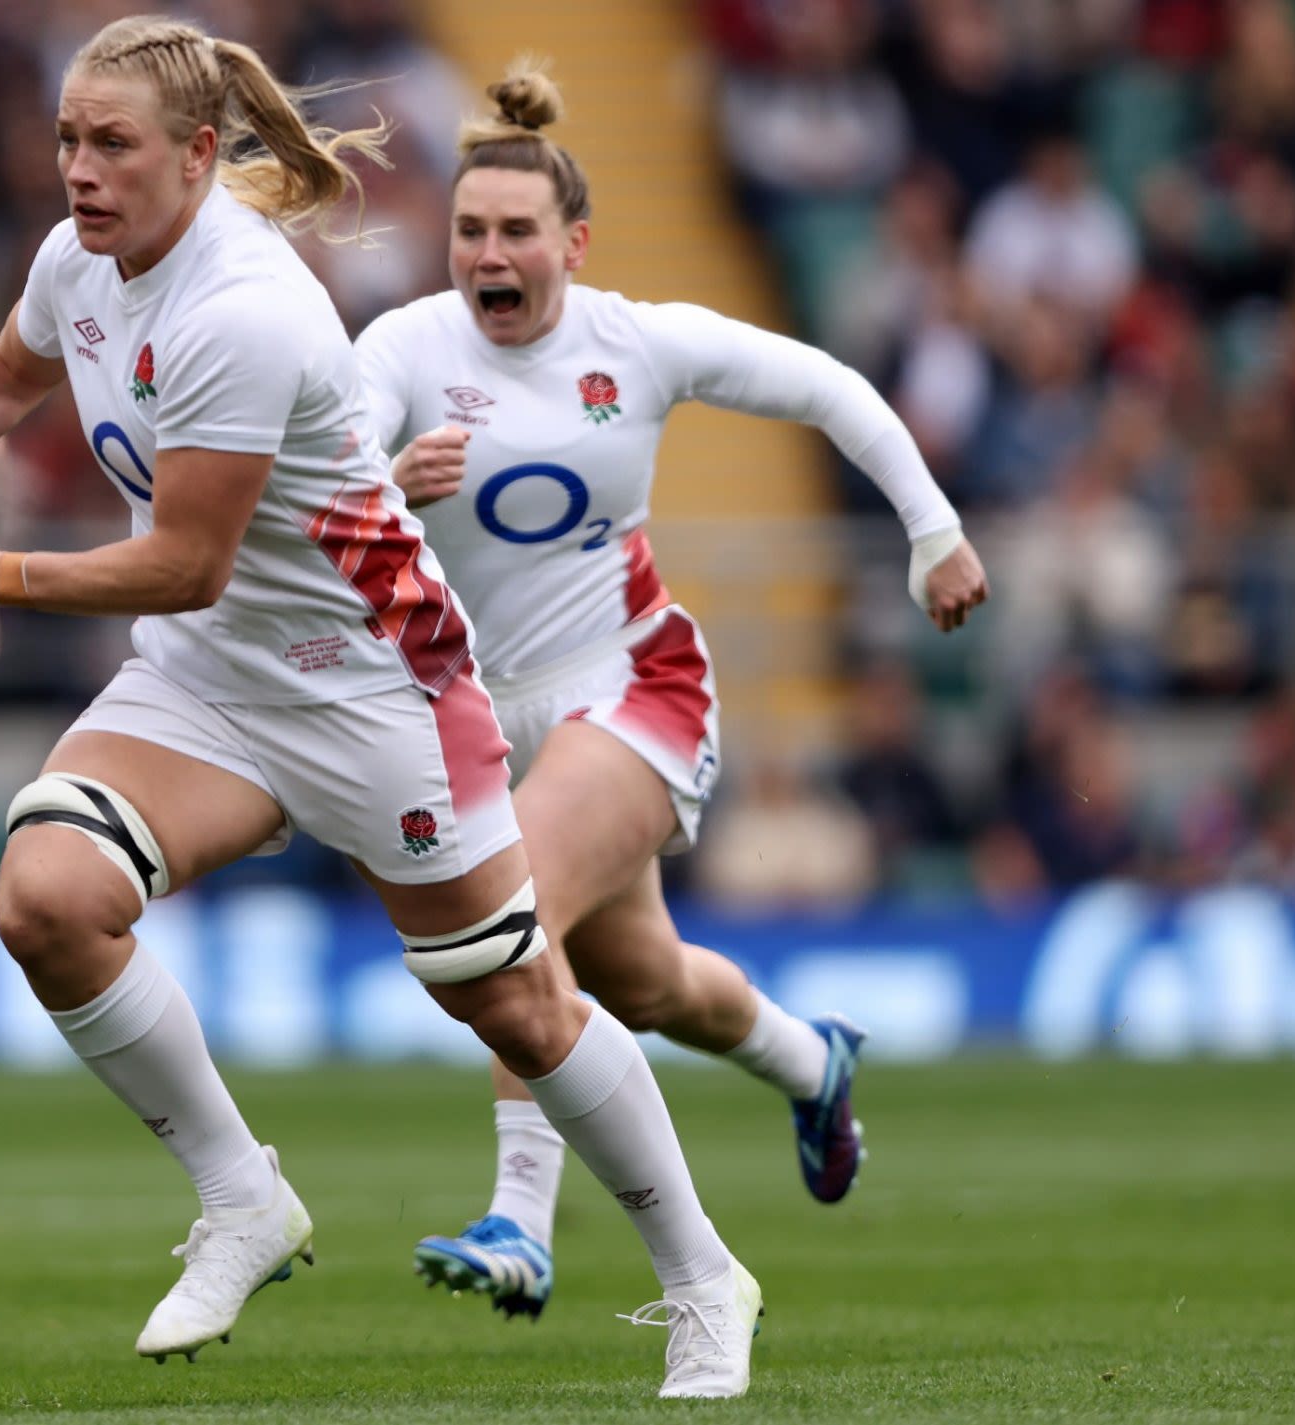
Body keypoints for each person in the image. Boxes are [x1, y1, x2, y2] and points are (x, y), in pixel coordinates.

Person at [0, 15, 763, 1400]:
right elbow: (12, 376)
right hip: (213, 675)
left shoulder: (241, 309)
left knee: (518, 1005)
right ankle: (240, 1197)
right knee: (48, 896)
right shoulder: (78, 257)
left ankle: (700, 1277)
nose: (78, 167)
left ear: (198, 155)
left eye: (112, 143)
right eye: (69, 137)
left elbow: (185, 562)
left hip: (375, 677)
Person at [354, 64, 989, 1320]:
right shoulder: (401, 349)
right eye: (471, 230)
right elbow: (320, 491)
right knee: (643, 984)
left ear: (572, 245)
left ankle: (520, 1223)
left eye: (517, 231)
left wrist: (934, 531)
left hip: (633, 682)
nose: (490, 251)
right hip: (486, 716)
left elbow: (831, 388)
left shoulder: (635, 343)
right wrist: (383, 481)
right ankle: (814, 1064)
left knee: (508, 914)